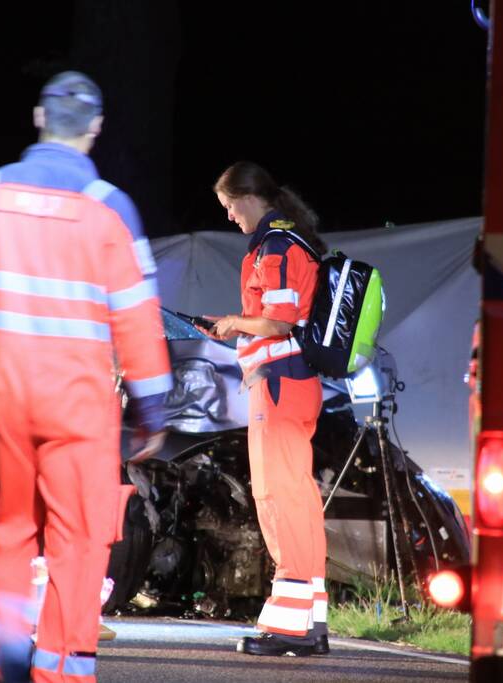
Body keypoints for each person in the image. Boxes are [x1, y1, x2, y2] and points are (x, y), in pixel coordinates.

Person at [0, 71, 171, 683]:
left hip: (3, 394)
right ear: (95, 127)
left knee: (11, 526)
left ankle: (5, 641)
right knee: (80, 541)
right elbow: (139, 320)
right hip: (79, 403)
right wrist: (152, 410)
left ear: (38, 118)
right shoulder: (111, 208)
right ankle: (62, 669)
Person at [207, 161, 330, 657]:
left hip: (278, 387)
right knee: (298, 498)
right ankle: (311, 623)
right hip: (296, 385)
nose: (231, 217)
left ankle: (289, 627)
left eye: (230, 207)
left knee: (280, 500)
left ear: (248, 197)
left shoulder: (273, 248)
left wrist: (238, 321)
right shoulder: (293, 240)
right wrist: (237, 323)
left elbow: (278, 323)